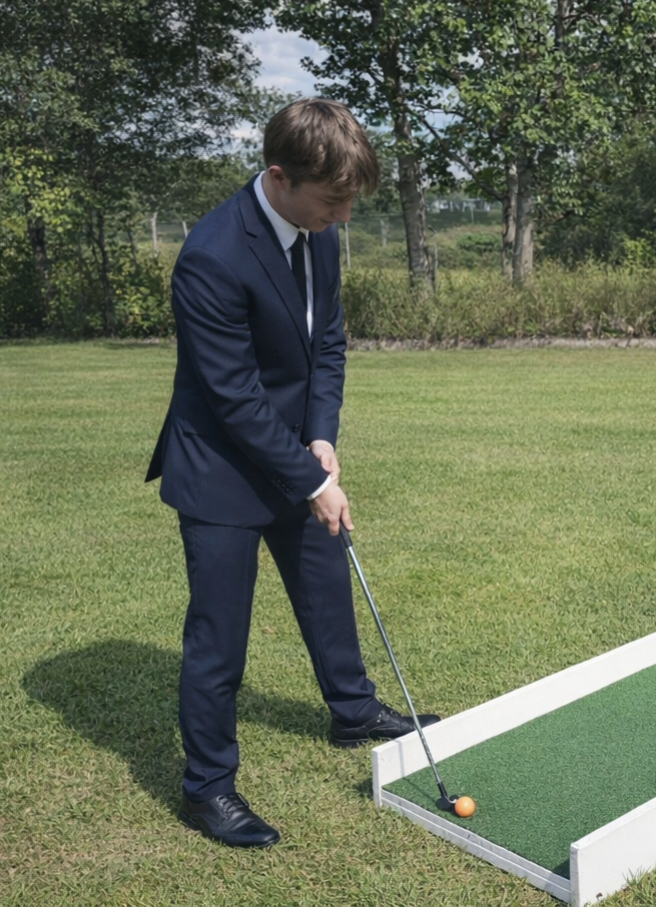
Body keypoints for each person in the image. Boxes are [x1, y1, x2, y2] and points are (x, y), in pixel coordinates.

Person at [146, 98, 438, 848]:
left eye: (350, 201)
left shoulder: (319, 234)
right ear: (279, 177)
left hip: (293, 454)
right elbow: (234, 399)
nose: (343, 217)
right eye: (333, 200)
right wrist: (312, 480)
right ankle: (208, 787)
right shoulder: (212, 255)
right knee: (220, 636)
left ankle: (353, 711)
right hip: (219, 469)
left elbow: (327, 346)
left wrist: (320, 438)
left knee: (325, 586)